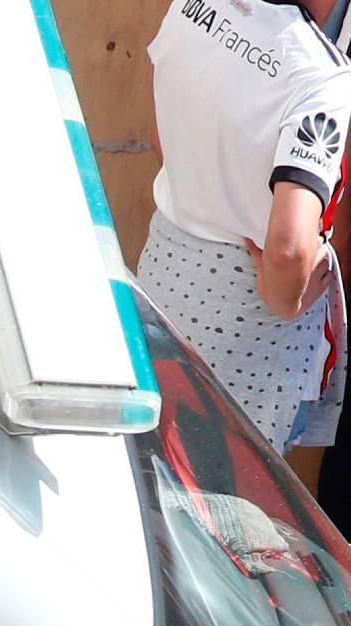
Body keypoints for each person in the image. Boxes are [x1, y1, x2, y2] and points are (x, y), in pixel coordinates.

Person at [140, 0, 351, 454]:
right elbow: (288, 250)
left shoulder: (193, 6)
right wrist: (288, 295)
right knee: (221, 495)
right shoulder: (322, 74)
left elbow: (161, 132)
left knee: (146, 458)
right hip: (247, 316)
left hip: (162, 267)